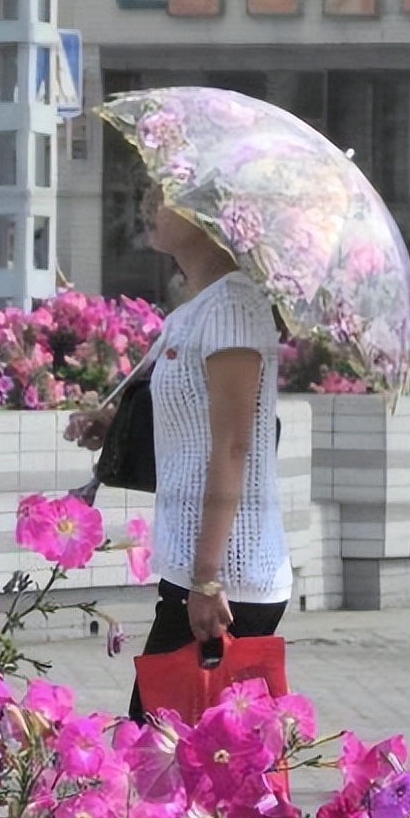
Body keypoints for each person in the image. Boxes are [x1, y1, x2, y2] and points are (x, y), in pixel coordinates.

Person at [69, 184, 290, 723]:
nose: (149, 204)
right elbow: (190, 422)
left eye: (165, 196)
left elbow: (234, 445)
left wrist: (209, 577)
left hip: (227, 577)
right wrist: (116, 423)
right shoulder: (200, 308)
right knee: (183, 762)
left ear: (210, 219)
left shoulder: (234, 308)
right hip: (196, 568)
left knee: (162, 751)